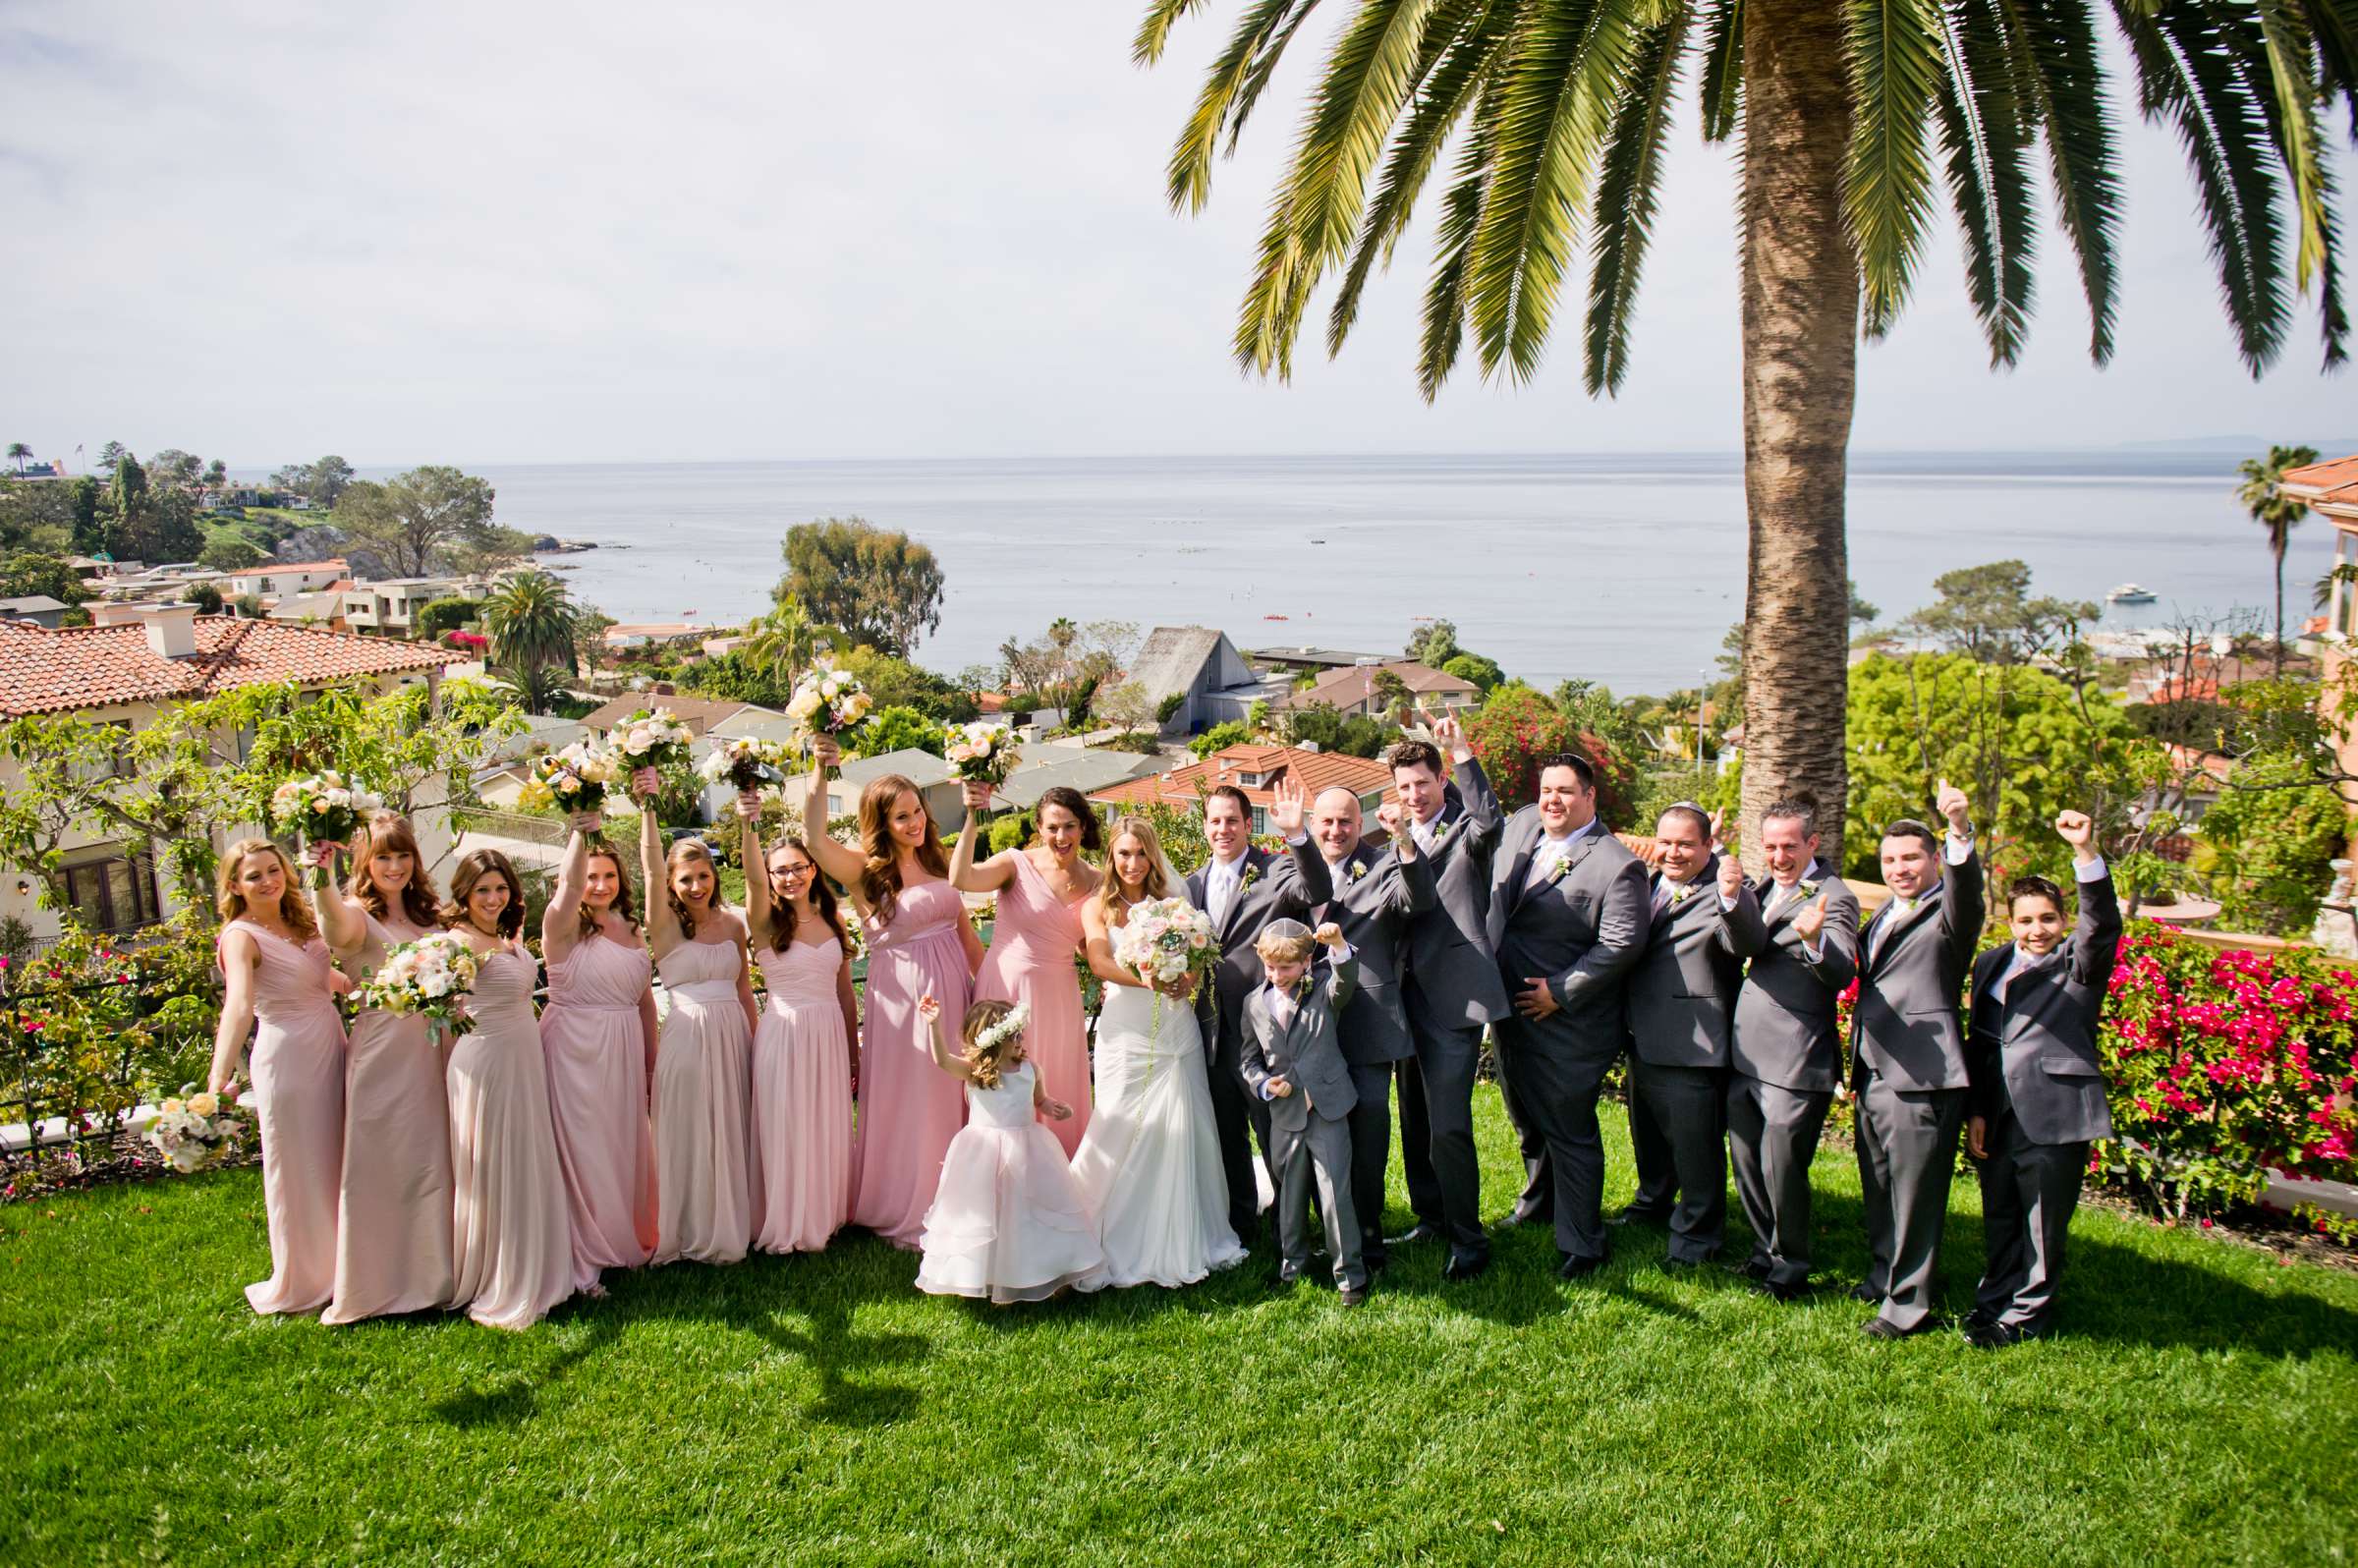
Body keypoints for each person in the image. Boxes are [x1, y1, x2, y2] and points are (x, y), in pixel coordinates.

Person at [803, 736, 986, 1248]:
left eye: (918, 811)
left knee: (956, 1089)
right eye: (901, 817)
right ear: (881, 824)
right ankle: (910, 1197)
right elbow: (815, 840)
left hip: (954, 986)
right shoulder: (866, 871)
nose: (915, 823)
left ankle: (962, 1191)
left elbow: (967, 934)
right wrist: (820, 767)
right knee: (916, 1094)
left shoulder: (939, 859)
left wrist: (991, 990)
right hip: (903, 998)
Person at [1485, 753, 1650, 1279]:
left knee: (1569, 1130)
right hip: (1513, 1013)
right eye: (1546, 789)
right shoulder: (1528, 826)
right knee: (1527, 1118)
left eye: (1565, 791)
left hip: (1570, 1024)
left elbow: (1620, 945)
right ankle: (1539, 1203)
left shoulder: (1617, 864)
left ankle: (1583, 1242)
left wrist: (1560, 991)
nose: (1552, 800)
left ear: (1590, 797)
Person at [1963, 809, 2120, 1347]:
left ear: (2062, 920)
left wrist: (2085, 854)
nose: (2037, 931)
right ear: (2009, 923)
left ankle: (2026, 1317)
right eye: (2026, 920)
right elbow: (1983, 1043)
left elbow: (2102, 926)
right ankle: (1994, 1302)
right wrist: (1979, 1111)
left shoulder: (2079, 965)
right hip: (2000, 1112)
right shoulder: (1990, 964)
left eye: (2048, 919)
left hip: (2054, 1112)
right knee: (2001, 1213)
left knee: (2041, 1224)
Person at [1071, 816, 1248, 1289]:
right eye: (1123, 853)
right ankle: (1109, 1230)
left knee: (1181, 1124)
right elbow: (1098, 959)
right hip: (1125, 1027)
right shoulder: (1097, 908)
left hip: (1174, 1026)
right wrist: (1145, 978)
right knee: (1119, 1120)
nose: (1132, 863)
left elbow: (1195, 960)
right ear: (1111, 856)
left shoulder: (1175, 904)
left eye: (1141, 853)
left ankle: (1187, 1229)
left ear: (1153, 856)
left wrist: (1185, 978)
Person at [1851, 780, 1985, 1339]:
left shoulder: (1949, 915)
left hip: (1923, 1073)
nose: (1899, 868)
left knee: (1915, 1195)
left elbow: (1968, 893)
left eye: (1911, 857)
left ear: (1934, 860)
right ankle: (1885, 1275)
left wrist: (1958, 829)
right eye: (1889, 859)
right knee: (1880, 1185)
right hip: (1873, 1068)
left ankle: (1909, 1304)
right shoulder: (1882, 914)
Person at [309, 811, 456, 1323]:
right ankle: (381, 1281)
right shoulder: (355, 913)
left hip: (437, 1048)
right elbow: (331, 925)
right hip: (384, 1052)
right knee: (385, 1164)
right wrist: (320, 875)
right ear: (365, 863)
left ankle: (438, 1275)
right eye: (383, 857)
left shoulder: (428, 914)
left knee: (435, 1159)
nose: (394, 867)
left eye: (402, 856)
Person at [1384, 711, 1510, 1280]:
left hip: (1454, 1000)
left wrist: (1463, 752)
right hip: (1401, 996)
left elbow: (1490, 818)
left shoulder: (1469, 833)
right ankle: (1430, 1217)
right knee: (1413, 1117)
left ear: (1441, 782)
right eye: (1404, 787)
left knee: (1450, 1124)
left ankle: (1468, 1238)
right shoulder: (1390, 839)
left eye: (1422, 784)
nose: (1414, 795)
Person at [1183, 774, 1331, 1245]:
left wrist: (1297, 836)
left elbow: (1317, 887)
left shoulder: (1277, 870)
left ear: (1249, 824)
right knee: (1228, 1133)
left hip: (1268, 1030)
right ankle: (1241, 1222)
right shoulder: (1191, 885)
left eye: (1232, 820)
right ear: (1205, 827)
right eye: (1214, 821)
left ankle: (1292, 1226)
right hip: (1210, 1029)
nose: (1222, 829)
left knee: (1276, 1132)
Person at [1726, 798, 1860, 1302]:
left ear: (1812, 844)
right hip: (1748, 1054)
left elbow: (1842, 970)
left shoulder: (1835, 896)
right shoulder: (1765, 887)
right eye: (1771, 846)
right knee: (1747, 1162)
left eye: (1789, 846)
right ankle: (1764, 1251)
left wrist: (1815, 942)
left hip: (1796, 1058)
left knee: (1783, 1166)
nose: (1779, 856)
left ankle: (1791, 1266)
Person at [207, 838, 347, 1316]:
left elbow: (326, 977)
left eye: (273, 870)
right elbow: (239, 1006)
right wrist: (216, 1080)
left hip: (332, 1044)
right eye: (254, 875)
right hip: (287, 1058)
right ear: (234, 886)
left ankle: (345, 1266)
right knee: (299, 1169)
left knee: (337, 1158)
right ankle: (304, 1279)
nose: (267, 881)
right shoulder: (240, 936)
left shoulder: (301, 920)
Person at [1622, 804, 1765, 1266]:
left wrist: (1730, 893)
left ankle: (1698, 1237)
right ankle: (1652, 1203)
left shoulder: (1723, 892)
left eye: (1686, 844)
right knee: (1649, 1135)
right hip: (1642, 1033)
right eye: (1666, 841)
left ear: (1708, 846)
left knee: (1695, 1148)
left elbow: (1744, 943)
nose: (1673, 852)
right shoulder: (1646, 883)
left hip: (1694, 1041)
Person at [442, 848, 578, 1329]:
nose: (493, 898)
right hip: (486, 1063)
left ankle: (538, 1263)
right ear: (464, 893)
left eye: (500, 889)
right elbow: (441, 1005)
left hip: (524, 1059)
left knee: (525, 1159)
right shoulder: (454, 943)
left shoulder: (501, 936)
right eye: (483, 890)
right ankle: (503, 1274)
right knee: (497, 1164)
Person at [1305, 785, 1433, 1272]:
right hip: (1308, 1023)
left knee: (1370, 1126)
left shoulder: (1384, 864)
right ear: (1313, 824)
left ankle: (1370, 1232)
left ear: (1360, 826)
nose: (1336, 831)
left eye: (1346, 822)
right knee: (1316, 1128)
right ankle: (1325, 1229)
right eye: (1327, 822)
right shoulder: (1288, 866)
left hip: (1368, 1019)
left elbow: (1419, 899)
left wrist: (1403, 843)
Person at [637, 773, 758, 1265]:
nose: (694, 886)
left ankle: (735, 1220)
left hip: (733, 1036)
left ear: (714, 876)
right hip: (687, 1037)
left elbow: (745, 989)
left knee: (732, 1127)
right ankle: (687, 1227)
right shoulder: (662, 924)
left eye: (703, 876)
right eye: (684, 879)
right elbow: (646, 868)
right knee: (690, 1130)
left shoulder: (733, 924)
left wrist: (756, 1042)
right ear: (671, 883)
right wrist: (647, 803)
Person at [912, 996, 1103, 1304]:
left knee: (1029, 1212)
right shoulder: (974, 1072)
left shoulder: (1030, 1070)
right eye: (1013, 1036)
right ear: (993, 1039)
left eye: (1020, 1034)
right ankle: (978, 1274)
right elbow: (942, 1061)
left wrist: (1052, 1107)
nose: (1019, 1041)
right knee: (984, 1214)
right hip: (982, 1154)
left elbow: (1039, 1101)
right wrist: (933, 1024)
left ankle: (1041, 1270)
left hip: (1027, 1151)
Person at [949, 781, 1101, 1156]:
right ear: (1038, 828)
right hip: (1005, 987)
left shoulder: (1098, 881)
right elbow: (961, 878)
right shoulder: (1016, 863)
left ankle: (1058, 1168)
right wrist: (971, 814)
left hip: (1059, 996)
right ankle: (996, 1170)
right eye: (1052, 827)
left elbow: (1088, 946)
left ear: (1083, 827)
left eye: (1069, 826)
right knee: (997, 1082)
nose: (1060, 836)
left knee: (1056, 1076)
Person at [539, 811, 659, 1281]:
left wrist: (650, 1065)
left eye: (610, 875)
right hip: (576, 1050)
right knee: (584, 1146)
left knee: (619, 1143)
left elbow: (645, 1002)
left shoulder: (632, 929)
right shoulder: (561, 926)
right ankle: (584, 1244)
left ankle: (619, 1234)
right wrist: (579, 831)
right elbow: (567, 891)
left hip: (625, 1048)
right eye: (592, 876)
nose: (601, 885)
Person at [739, 794, 861, 1254]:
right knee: (788, 1125)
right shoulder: (766, 920)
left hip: (828, 1034)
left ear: (814, 868)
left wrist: (854, 1054)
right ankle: (788, 1219)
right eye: (780, 870)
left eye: (798, 867)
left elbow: (846, 994)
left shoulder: (835, 920)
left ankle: (825, 1213)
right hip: (784, 1034)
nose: (790, 877)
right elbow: (750, 880)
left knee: (826, 1122)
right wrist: (748, 824)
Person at [1239, 920, 1369, 1307]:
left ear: (1307, 962)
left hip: (1327, 1107)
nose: (1277, 976)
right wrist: (1264, 1083)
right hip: (1285, 1112)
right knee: (1289, 1193)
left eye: (1287, 968)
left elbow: (1345, 980)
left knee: (1334, 1193)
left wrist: (1340, 945)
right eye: (1270, 968)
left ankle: (1350, 1276)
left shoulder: (1324, 991)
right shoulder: (1254, 1003)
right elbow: (1248, 1059)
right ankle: (1292, 1265)